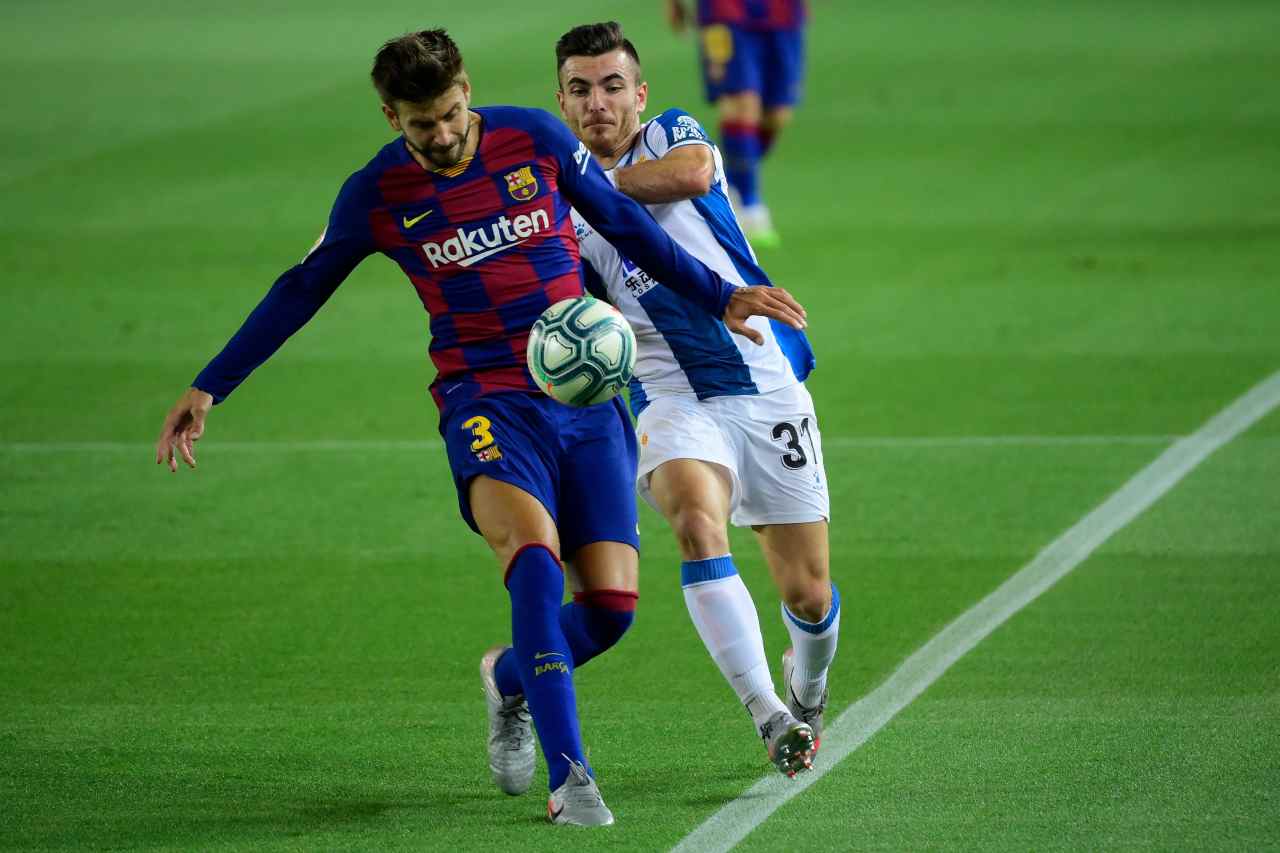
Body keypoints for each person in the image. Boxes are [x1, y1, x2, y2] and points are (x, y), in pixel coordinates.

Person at [153, 28, 807, 827]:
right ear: (391, 115)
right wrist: (211, 383)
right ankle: (572, 779)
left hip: (586, 401)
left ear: (467, 89)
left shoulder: (533, 136)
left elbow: (624, 224)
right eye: (422, 124)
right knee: (531, 559)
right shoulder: (378, 193)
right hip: (485, 401)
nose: (443, 135)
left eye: (452, 114)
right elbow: (301, 288)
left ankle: (508, 682)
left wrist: (720, 293)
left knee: (609, 611)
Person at [549, 21, 839, 778]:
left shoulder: (669, 135)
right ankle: (769, 714)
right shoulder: (558, 222)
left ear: (639, 95)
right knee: (695, 523)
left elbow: (694, 176)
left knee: (808, 593)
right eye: (580, 89)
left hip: (765, 381)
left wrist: (585, 190)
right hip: (672, 394)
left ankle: (807, 685)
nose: (599, 103)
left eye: (613, 86)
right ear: (562, 102)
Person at [665, 0, 808, 247]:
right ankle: (750, 205)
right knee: (741, 103)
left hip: (782, 13)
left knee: (777, 114)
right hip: (725, 13)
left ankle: (725, 183)